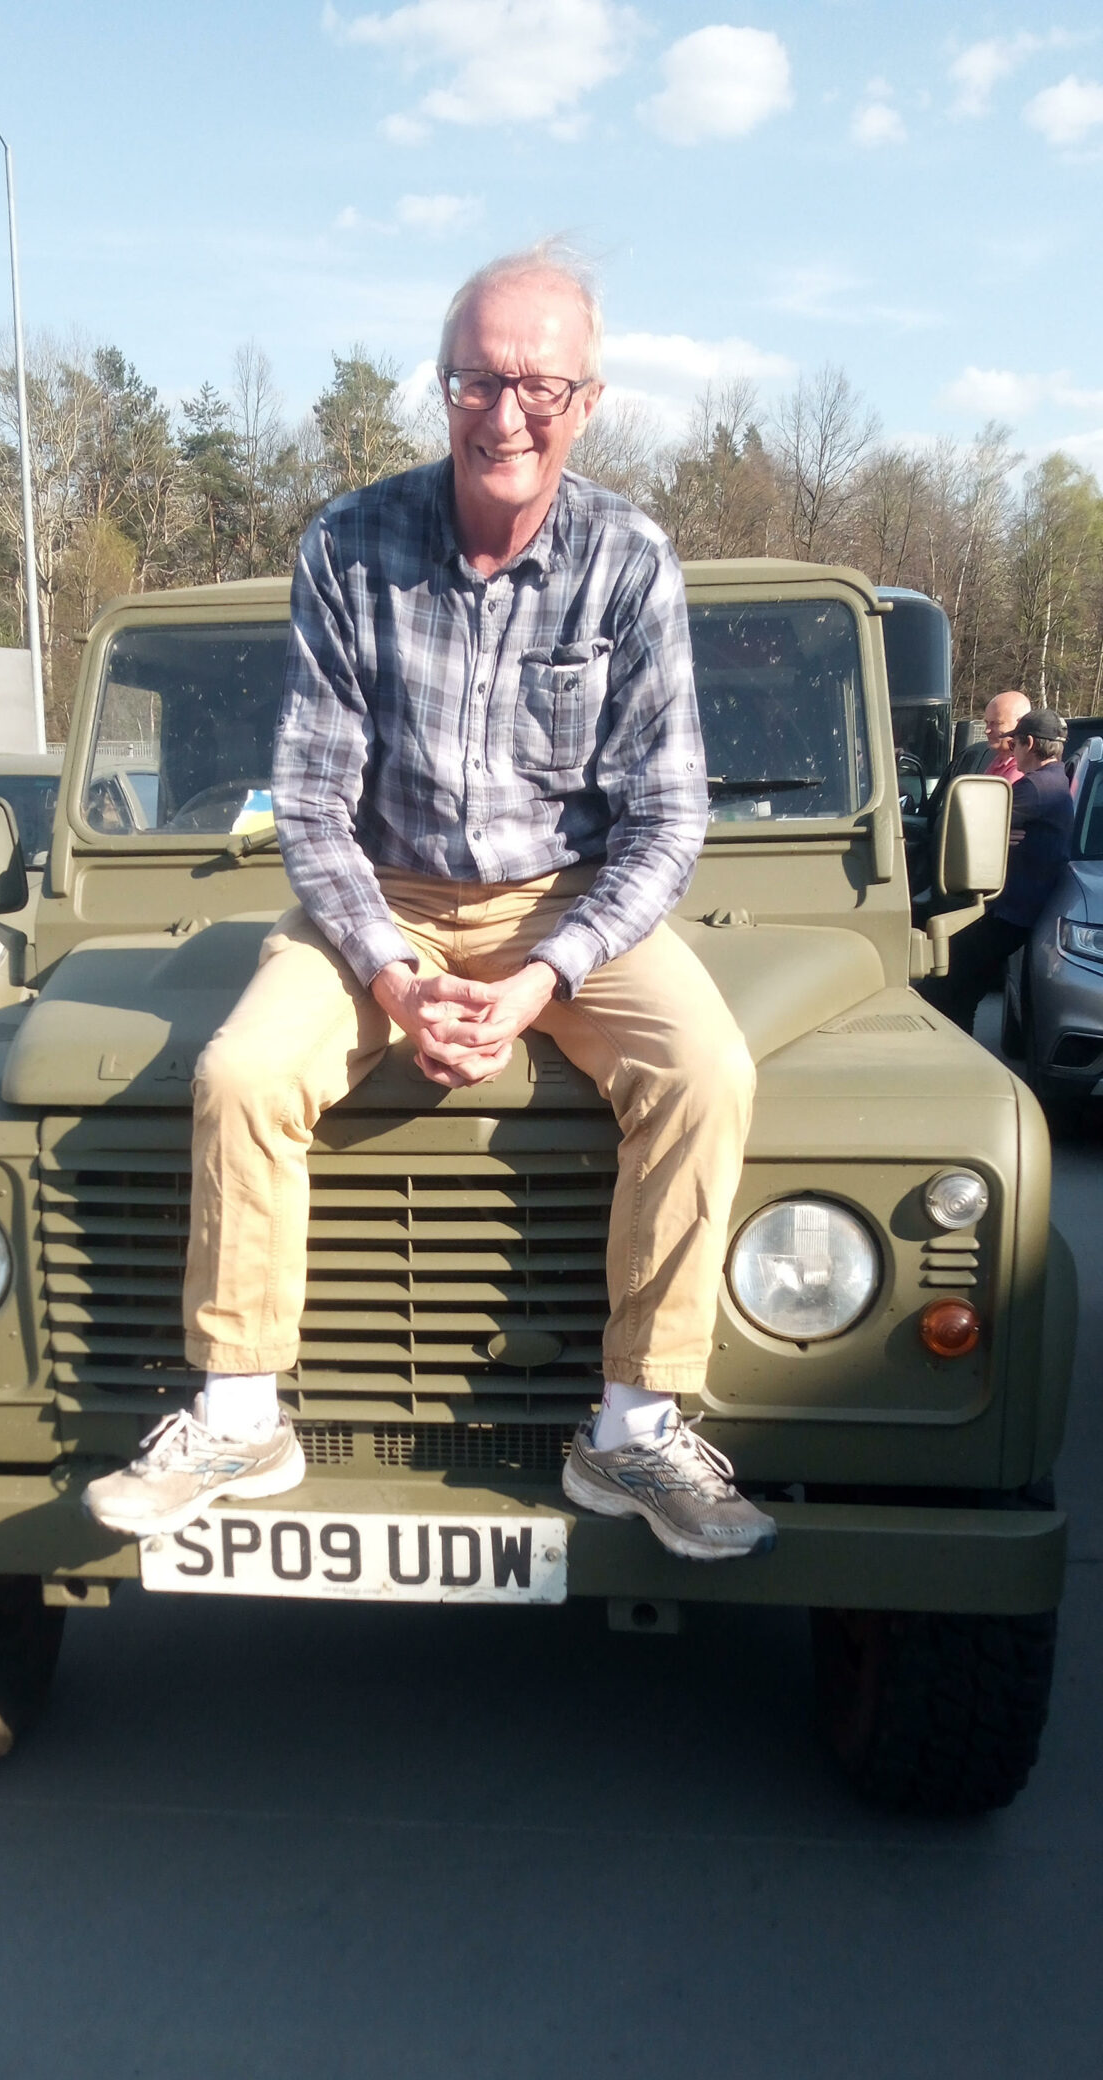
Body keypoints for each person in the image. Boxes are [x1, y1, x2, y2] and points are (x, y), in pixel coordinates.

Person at [85, 247, 774, 1564]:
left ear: (590, 397)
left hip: (563, 896)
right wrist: (396, 977)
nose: (505, 413)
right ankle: (240, 1418)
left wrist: (543, 977)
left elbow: (667, 818)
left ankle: (633, 1429)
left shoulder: (628, 559)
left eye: (539, 384)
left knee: (708, 1068)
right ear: (443, 385)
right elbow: (309, 804)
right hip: (383, 891)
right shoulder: (351, 544)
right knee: (239, 1073)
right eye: (477, 379)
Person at [925, 708, 1072, 1034]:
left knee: (949, 980)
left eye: (1015, 742)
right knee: (962, 985)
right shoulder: (1056, 781)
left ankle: (953, 1058)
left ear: (1029, 743)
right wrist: (998, 834)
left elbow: (964, 825)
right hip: (1014, 912)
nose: (1011, 749)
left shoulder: (1034, 788)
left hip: (1010, 915)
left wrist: (990, 834)